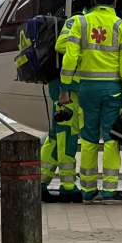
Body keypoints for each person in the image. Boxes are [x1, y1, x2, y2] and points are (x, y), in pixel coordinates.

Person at [58, 0, 122, 202]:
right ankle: (110, 190)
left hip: (87, 90)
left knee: (89, 138)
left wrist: (64, 88)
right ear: (115, 1)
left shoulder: (80, 23)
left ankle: (88, 190)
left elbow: (70, 57)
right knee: (112, 138)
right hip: (113, 91)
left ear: (95, 0)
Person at [39, 34, 82, 203]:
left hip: (62, 91)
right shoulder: (76, 37)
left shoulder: (65, 34)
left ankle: (40, 182)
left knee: (55, 140)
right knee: (66, 140)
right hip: (69, 93)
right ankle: (68, 187)